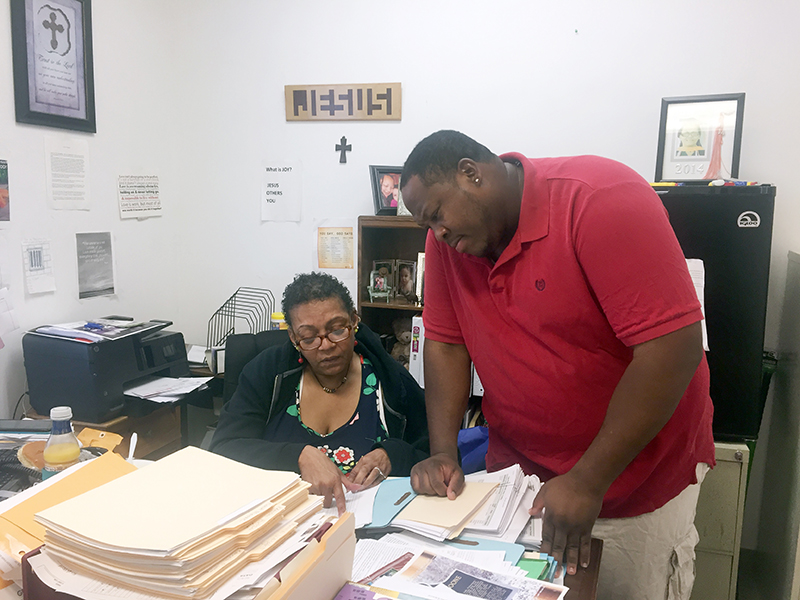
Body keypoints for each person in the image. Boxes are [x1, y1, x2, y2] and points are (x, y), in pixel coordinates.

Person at [399, 130, 715, 600]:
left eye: (438, 214)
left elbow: (673, 348)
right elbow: (446, 344)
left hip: (631, 480)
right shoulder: (449, 244)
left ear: (471, 173)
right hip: (519, 482)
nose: (438, 234)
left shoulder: (599, 199)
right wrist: (444, 451)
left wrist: (588, 480)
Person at [211, 272, 429, 512]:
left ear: (354, 321)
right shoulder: (267, 373)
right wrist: (298, 456)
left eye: (337, 330)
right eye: (308, 337)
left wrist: (392, 454)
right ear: (293, 337)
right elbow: (224, 449)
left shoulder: (388, 379)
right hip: (280, 526)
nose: (326, 346)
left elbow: (434, 453)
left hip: (371, 528)